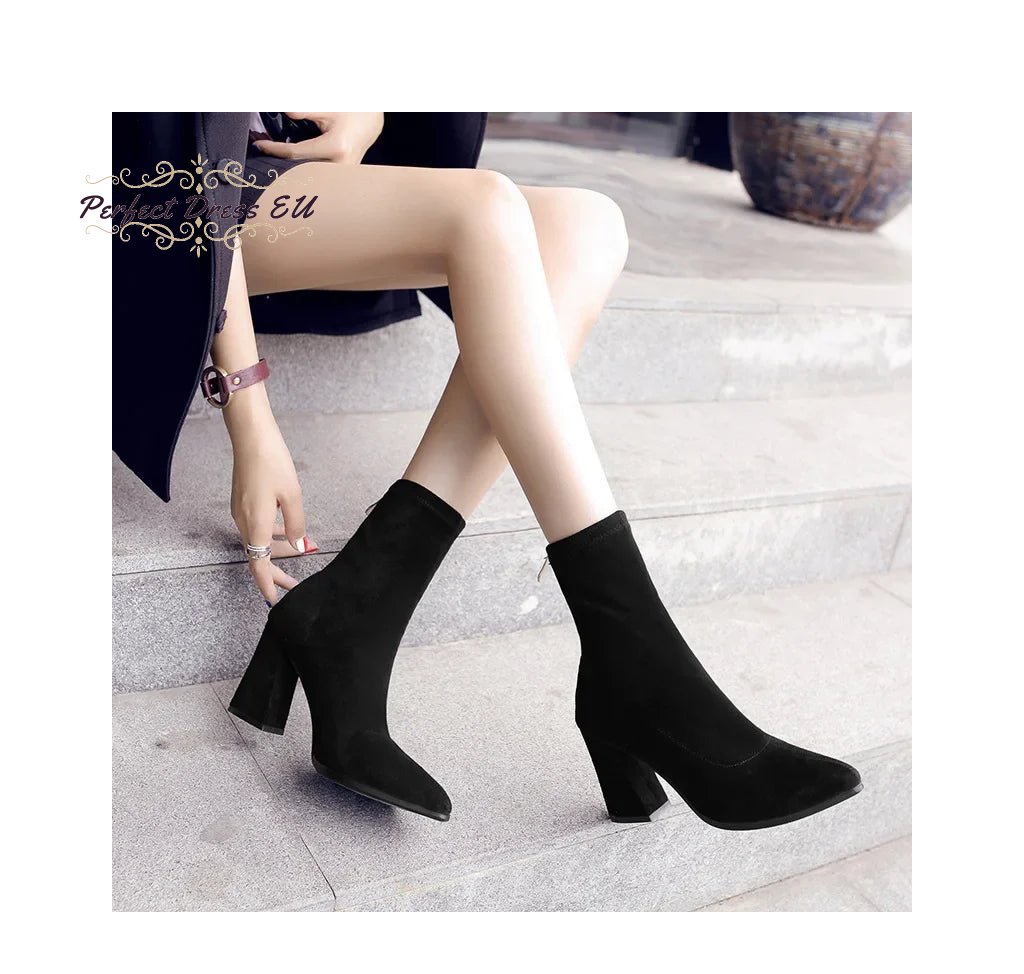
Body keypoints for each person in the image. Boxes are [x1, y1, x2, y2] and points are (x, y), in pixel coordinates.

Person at [115, 112, 861, 826]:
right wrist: (247, 407)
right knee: (486, 209)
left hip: (274, 173)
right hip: (158, 192)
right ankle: (637, 661)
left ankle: (360, 605)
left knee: (587, 226)